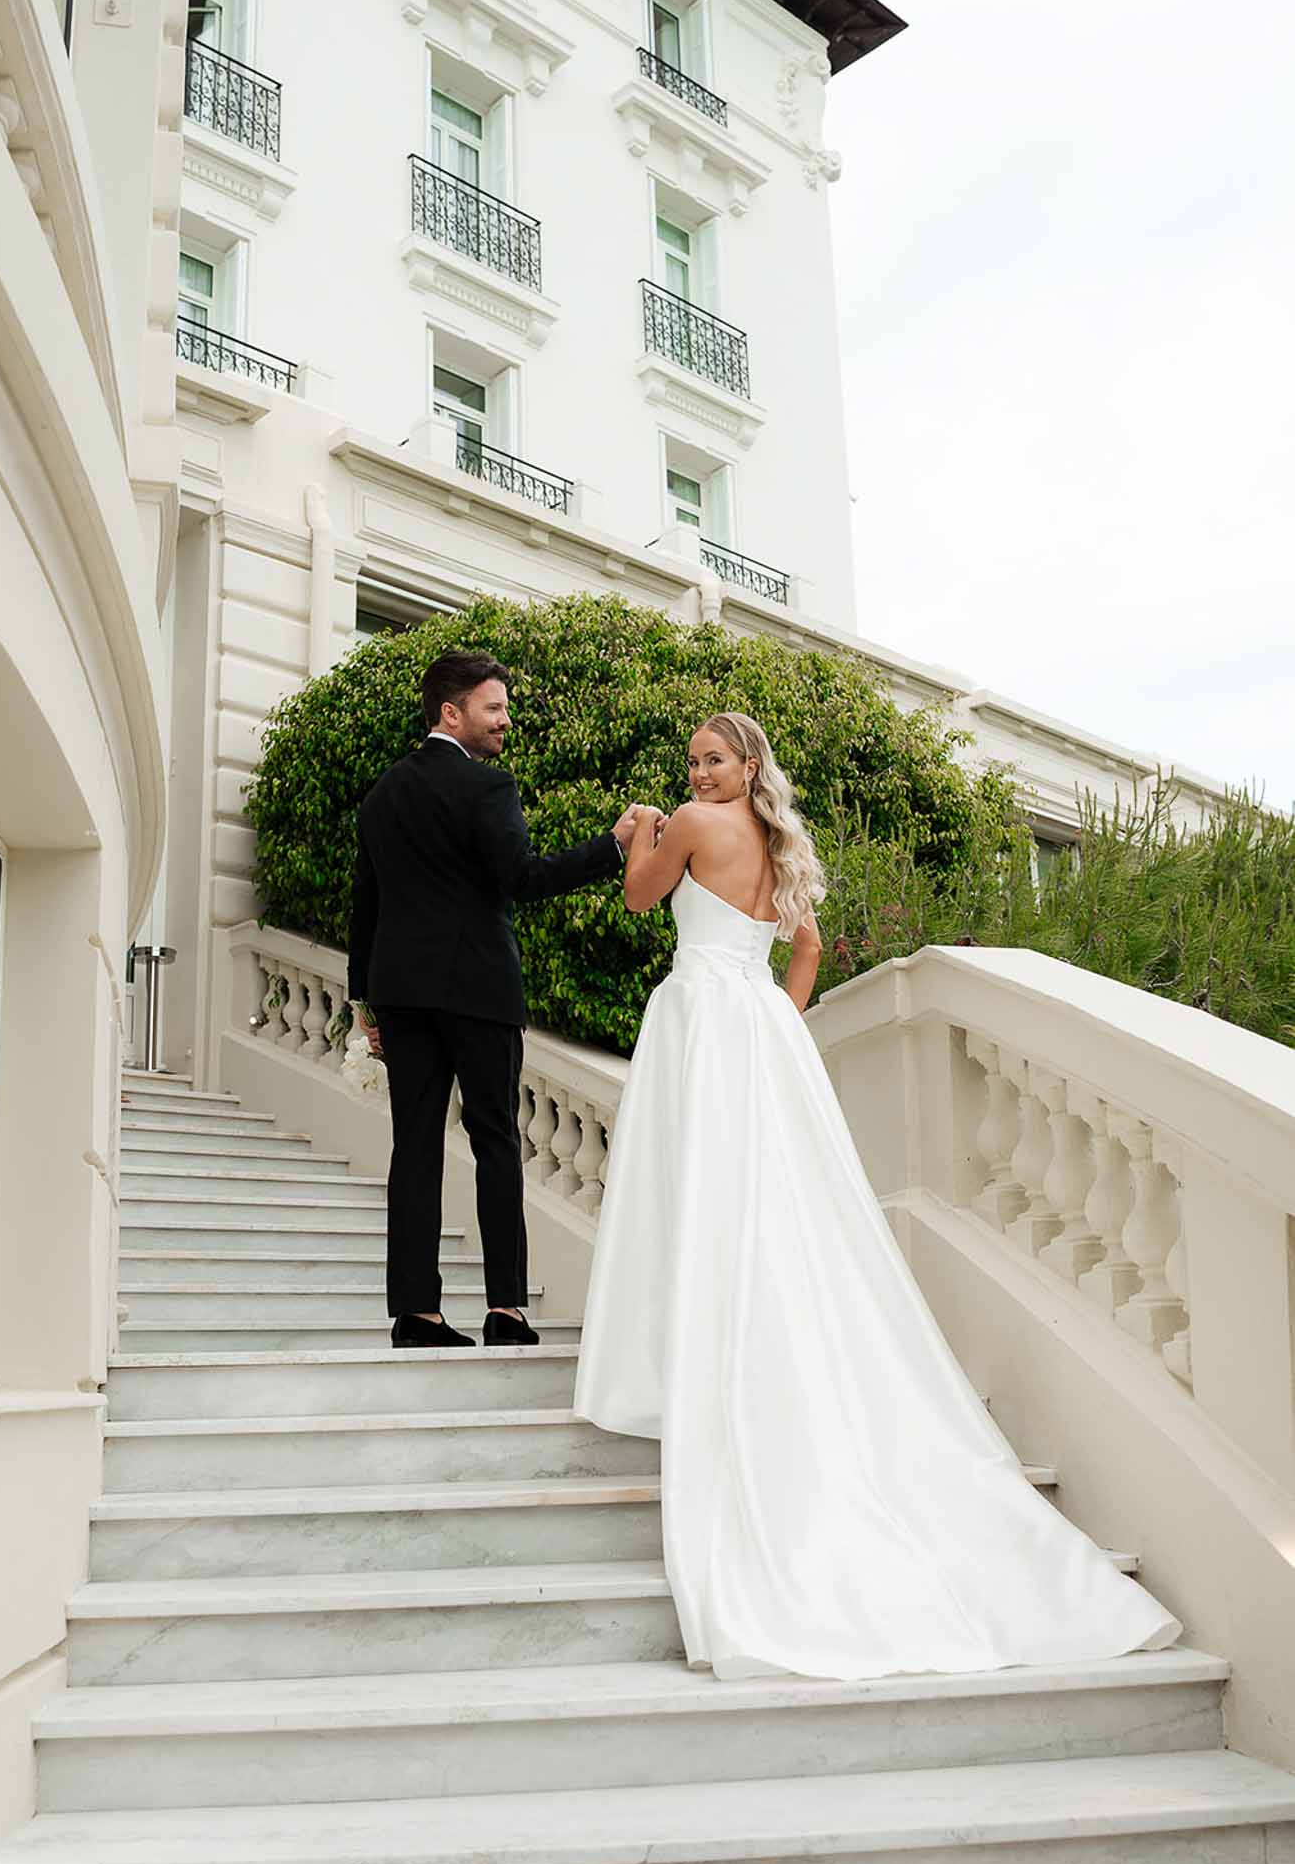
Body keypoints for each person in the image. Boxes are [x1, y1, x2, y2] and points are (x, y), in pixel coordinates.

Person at [574, 710, 1181, 1681]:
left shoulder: (686, 822)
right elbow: (805, 947)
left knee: (709, 1192)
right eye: (693, 761)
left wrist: (635, 831)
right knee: (773, 1201)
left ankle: (711, 1350)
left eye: (714, 758)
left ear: (746, 764)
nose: (700, 771)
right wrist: (776, 1013)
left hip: (699, 1017)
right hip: (759, 1029)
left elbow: (644, 901)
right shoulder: (780, 847)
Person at [348, 650, 647, 1350]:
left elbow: (366, 904)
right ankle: (506, 1311)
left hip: (400, 995)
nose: (505, 721)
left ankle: (415, 1316)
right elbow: (524, 878)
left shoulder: (381, 795)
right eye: (494, 708)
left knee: (413, 1149)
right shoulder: (488, 788)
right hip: (479, 991)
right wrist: (614, 843)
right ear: (451, 712)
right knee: (497, 1143)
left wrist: (364, 997)